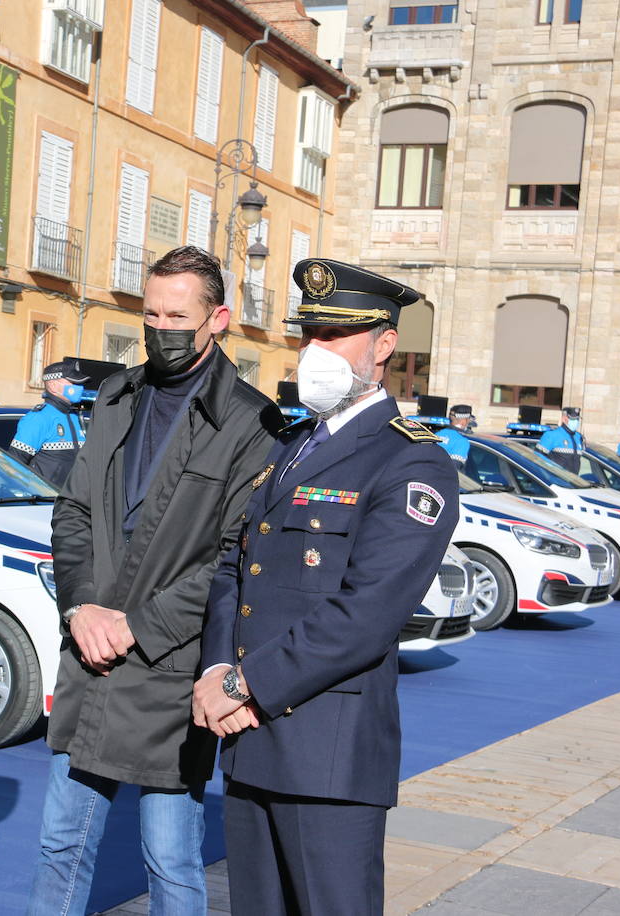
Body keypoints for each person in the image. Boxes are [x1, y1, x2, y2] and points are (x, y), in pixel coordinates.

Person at [193, 258, 458, 916]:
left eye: (335, 335)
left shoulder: (411, 459)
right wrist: (218, 664)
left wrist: (243, 686)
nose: (316, 351)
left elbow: (367, 613)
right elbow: (237, 563)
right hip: (250, 743)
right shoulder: (293, 445)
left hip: (327, 756)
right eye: (308, 334)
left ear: (384, 344)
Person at [29, 246, 281, 915]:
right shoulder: (116, 395)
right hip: (91, 660)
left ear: (218, 318)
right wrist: (82, 605)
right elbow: (74, 510)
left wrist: (135, 626)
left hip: (171, 675)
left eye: (179, 315)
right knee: (61, 843)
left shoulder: (252, 424)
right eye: (152, 312)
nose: (162, 327)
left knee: (170, 859)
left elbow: (234, 561)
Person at [10, 359, 91, 486]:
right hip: (46, 501)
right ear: (53, 386)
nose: (79, 388)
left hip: (73, 502)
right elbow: (15, 466)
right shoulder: (38, 419)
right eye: (73, 383)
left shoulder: (75, 417)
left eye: (79, 384)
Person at [537, 406, 585, 473]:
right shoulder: (551, 435)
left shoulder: (578, 437)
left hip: (574, 481)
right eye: (572, 419)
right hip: (555, 480)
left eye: (577, 419)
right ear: (564, 419)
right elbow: (538, 460)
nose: (576, 422)